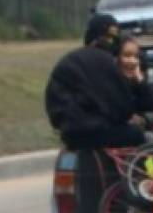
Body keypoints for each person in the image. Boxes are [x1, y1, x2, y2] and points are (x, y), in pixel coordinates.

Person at [44, 14, 146, 149]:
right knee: (137, 134)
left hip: (69, 133)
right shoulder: (107, 62)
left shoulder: (68, 60)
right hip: (94, 133)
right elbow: (123, 108)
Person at [116, 35, 153, 130]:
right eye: (127, 55)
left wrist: (140, 80)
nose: (133, 61)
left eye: (136, 57)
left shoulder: (138, 86)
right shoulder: (107, 84)